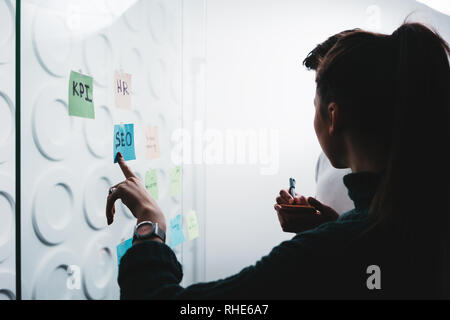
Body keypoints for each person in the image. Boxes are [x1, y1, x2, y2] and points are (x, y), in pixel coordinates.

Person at [107, 22, 450, 299]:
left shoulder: (324, 253)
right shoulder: (423, 220)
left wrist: (150, 224)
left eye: (314, 105)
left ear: (334, 116)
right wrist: (332, 227)